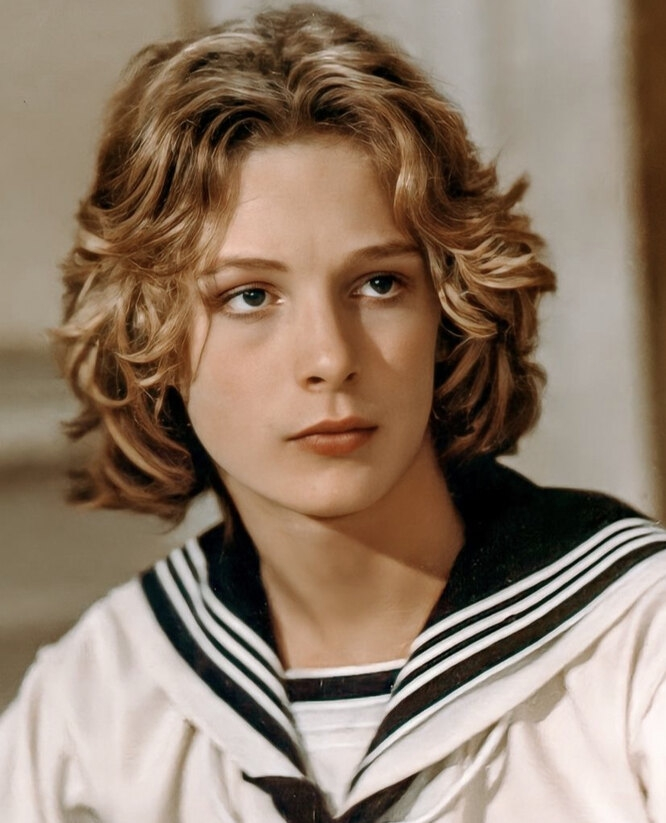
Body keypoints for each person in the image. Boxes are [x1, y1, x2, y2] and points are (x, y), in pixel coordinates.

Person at [2, 4, 666, 821]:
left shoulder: (635, 637)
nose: (329, 356)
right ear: (150, 337)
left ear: (449, 307)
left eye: (379, 284)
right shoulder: (95, 704)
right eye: (250, 296)